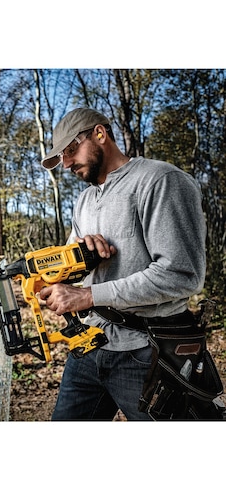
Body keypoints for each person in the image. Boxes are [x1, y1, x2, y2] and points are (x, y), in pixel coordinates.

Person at [39, 107, 209, 420]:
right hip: (89, 348)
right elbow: (71, 276)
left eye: (71, 150)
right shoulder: (84, 201)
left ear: (100, 135)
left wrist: (88, 296)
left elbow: (181, 274)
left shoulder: (160, 181)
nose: (65, 164)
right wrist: (74, 260)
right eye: (61, 156)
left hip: (146, 351)